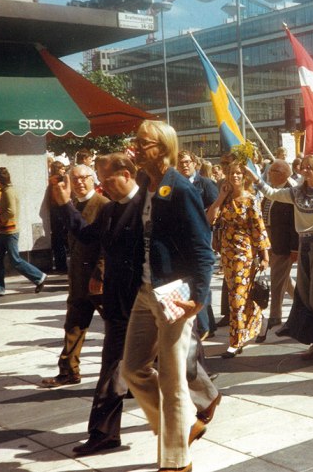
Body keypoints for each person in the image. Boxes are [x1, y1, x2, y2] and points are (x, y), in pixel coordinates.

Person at [121, 120, 219, 472]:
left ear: (162, 148)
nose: (135, 147)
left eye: (142, 142)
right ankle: (185, 425)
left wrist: (200, 298)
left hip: (175, 292)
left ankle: (176, 462)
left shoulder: (178, 188)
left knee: (172, 379)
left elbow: (202, 248)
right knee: (131, 369)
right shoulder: (146, 185)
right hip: (146, 291)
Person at [49, 153, 144, 456]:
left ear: (127, 174)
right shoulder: (111, 210)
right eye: (100, 180)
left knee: (166, 367)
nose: (103, 185)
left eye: (106, 179)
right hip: (119, 306)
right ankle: (104, 433)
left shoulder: (147, 206)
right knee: (112, 367)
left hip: (147, 306)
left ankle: (201, 400)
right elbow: (89, 236)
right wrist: (64, 204)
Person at [249, 155, 313, 360]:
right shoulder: (297, 192)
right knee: (303, 295)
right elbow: (273, 193)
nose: (305, 171)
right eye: (303, 168)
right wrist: (256, 179)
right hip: (304, 244)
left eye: (310, 168)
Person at [41, 165, 109, 389]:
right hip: (79, 277)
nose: (79, 182)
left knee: (118, 327)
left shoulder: (103, 205)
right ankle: (69, 370)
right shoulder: (72, 203)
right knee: (74, 324)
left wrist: (100, 274)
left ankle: (145, 364)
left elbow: (104, 245)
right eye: (75, 178)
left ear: (94, 178)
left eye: (84, 178)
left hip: (97, 280)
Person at [206, 161, 270, 358]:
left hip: (244, 254)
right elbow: (210, 219)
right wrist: (221, 197)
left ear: (245, 177)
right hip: (226, 255)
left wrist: (264, 255)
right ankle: (259, 319)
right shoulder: (224, 200)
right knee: (241, 296)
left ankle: (235, 341)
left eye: (239, 174)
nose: (235, 177)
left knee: (236, 298)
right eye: (232, 173)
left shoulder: (251, 200)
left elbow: (258, 229)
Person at [0, 167, 47, 298]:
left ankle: (39, 277)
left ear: (0, 180)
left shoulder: (8, 192)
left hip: (9, 231)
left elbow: (10, 212)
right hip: (5, 231)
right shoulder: (6, 190)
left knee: (15, 260)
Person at [178, 150, 219, 340]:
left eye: (187, 162)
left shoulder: (206, 184)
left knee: (201, 278)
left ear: (195, 163)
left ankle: (203, 326)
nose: (184, 165)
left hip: (203, 235)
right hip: (184, 237)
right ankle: (206, 324)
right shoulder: (176, 184)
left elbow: (217, 206)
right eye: (181, 163)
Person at [259, 159, 298, 333]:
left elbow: (294, 223)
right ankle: (301, 301)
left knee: (277, 279)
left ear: (281, 173)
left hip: (284, 243)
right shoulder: (273, 188)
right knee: (283, 278)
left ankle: (275, 314)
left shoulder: (292, 190)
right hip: (271, 239)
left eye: (272, 172)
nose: (268, 174)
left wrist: (294, 248)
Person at [48, 160, 68, 273]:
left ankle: (61, 264)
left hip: (54, 211)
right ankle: (62, 265)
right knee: (60, 238)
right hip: (59, 210)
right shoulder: (57, 180)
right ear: (57, 169)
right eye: (62, 168)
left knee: (57, 238)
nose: (64, 170)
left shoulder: (51, 180)